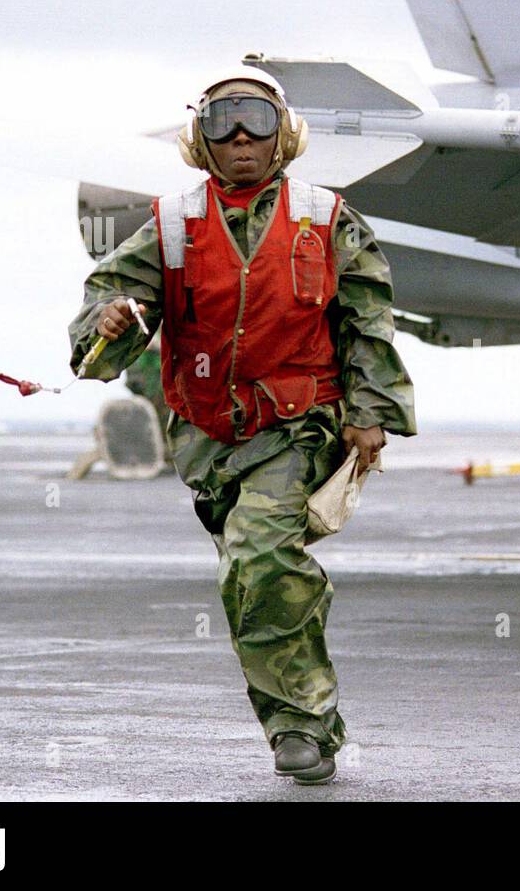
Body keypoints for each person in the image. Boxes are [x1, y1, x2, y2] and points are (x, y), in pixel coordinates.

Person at [67, 75, 416, 785]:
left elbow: (366, 322)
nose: (241, 138)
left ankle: (299, 726)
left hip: (299, 426)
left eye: (256, 120)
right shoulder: (170, 224)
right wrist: (109, 326)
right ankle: (308, 718)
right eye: (223, 123)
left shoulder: (327, 218)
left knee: (259, 555)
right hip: (209, 440)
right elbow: (108, 309)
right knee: (252, 579)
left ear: (283, 132)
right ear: (201, 139)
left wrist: (370, 416)